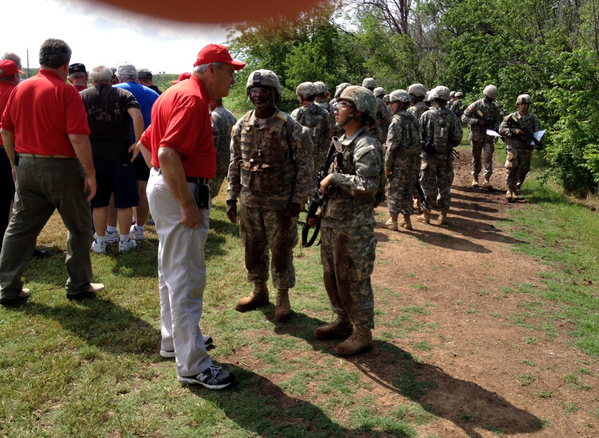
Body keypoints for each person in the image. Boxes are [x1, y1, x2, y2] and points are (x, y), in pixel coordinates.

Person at [139, 43, 244, 389]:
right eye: (230, 72)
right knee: (185, 277)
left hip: (167, 186)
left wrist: (158, 181)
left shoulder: (174, 92)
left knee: (171, 272)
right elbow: (167, 153)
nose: (233, 80)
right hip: (180, 188)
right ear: (211, 70)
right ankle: (193, 365)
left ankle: (174, 342)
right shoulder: (191, 98)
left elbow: (146, 143)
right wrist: (184, 203)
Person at [0, 38, 104, 307]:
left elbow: (5, 130)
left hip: (26, 166)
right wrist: (90, 174)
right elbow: (78, 138)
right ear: (66, 63)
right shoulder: (66, 91)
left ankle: (8, 288)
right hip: (61, 167)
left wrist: (14, 164)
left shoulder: (20, 88)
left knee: (19, 229)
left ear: (40, 59)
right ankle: (79, 285)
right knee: (79, 226)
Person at [226, 70, 313, 323]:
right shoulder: (241, 125)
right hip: (250, 202)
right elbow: (235, 163)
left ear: (275, 94)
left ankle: (283, 296)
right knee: (252, 249)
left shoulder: (290, 126)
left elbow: (305, 166)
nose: (258, 95)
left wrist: (298, 199)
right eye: (254, 91)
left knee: (281, 249)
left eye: (264, 90)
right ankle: (259, 291)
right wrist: (232, 197)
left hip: (281, 204)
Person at [309, 85, 384, 356]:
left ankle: (362, 332)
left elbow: (369, 185)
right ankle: (342, 321)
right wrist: (317, 211)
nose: (335, 109)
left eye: (342, 104)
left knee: (354, 279)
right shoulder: (341, 141)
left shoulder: (366, 145)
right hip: (333, 221)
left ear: (358, 111)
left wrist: (336, 178)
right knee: (332, 276)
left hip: (354, 226)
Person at [82, 65, 144, 253]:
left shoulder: (82, 96)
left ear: (92, 80)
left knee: (98, 201)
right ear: (112, 79)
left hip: (94, 156)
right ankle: (124, 241)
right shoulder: (123, 95)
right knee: (124, 201)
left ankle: (100, 242)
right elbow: (137, 116)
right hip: (121, 155)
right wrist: (138, 142)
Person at [114, 62, 160, 241]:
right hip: (146, 149)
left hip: (122, 149)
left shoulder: (114, 90)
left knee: (119, 189)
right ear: (136, 77)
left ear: (119, 77)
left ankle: (116, 229)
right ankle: (139, 227)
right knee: (142, 189)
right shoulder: (153, 94)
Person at [418, 86, 463, 226]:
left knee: (426, 185)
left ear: (433, 99)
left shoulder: (426, 115)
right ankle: (443, 216)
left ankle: (426, 215)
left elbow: (419, 135)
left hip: (428, 157)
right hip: (446, 157)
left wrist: (425, 145)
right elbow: (457, 138)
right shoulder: (452, 116)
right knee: (444, 186)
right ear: (447, 99)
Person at [384, 90, 421, 231]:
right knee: (407, 190)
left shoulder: (397, 120)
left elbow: (392, 146)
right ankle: (407, 221)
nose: (390, 106)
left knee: (394, 190)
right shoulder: (413, 119)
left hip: (399, 162)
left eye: (393, 103)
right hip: (412, 162)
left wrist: (387, 166)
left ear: (401, 104)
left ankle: (392, 220)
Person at [499, 94, 542, 201]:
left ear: (528, 105)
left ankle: (517, 186)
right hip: (513, 146)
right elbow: (501, 130)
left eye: (525, 104)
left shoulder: (533, 119)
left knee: (524, 169)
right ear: (518, 105)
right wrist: (514, 131)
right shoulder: (511, 117)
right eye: (521, 104)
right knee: (512, 166)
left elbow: (538, 132)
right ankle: (510, 189)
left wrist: (538, 142)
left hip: (526, 147)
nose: (523, 106)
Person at [0, 60, 23, 253]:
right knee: (19, 199)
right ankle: (19, 246)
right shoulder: (16, 92)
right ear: (15, 76)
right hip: (10, 149)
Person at [291, 82, 332, 188]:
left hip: (300, 156)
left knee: (299, 182)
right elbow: (329, 134)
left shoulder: (297, 113)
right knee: (315, 181)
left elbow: (291, 136)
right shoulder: (324, 113)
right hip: (319, 156)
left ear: (302, 97)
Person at [461, 85, 503, 189]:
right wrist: (477, 121)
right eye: (488, 97)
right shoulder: (476, 105)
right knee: (476, 157)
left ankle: (486, 179)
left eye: (491, 98)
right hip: (476, 136)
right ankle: (475, 178)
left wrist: (494, 128)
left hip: (488, 137)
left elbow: (498, 121)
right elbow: (464, 118)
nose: (490, 99)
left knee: (488, 157)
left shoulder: (495, 108)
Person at [208, 98, 237, 198]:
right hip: (231, 156)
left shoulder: (215, 116)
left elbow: (214, 138)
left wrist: (210, 158)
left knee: (210, 190)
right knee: (235, 184)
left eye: (209, 101)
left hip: (219, 159)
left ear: (215, 101)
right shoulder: (230, 114)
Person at [362, 77, 391, 144]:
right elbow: (387, 117)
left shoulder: (356, 100)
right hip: (376, 131)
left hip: (360, 132)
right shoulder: (378, 101)